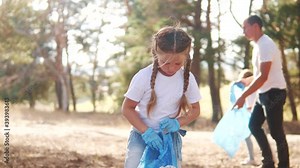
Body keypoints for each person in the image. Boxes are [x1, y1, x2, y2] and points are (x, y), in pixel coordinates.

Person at [122, 26, 201, 168]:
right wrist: (146, 132)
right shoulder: (143, 77)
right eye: (165, 62)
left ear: (186, 56)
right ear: (156, 54)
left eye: (177, 63)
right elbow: (127, 108)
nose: (171, 68)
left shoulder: (187, 78)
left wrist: (177, 123)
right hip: (141, 135)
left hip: (169, 138)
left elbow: (195, 109)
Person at [233, 15, 289, 168]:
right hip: (263, 94)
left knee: (276, 133)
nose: (243, 31)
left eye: (245, 27)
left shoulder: (266, 45)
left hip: (274, 93)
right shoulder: (257, 45)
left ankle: (284, 165)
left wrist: (243, 96)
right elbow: (260, 75)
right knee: (254, 125)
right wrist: (245, 81)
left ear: (255, 26)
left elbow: (264, 76)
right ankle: (268, 162)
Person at [213, 69, 258, 166]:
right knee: (248, 136)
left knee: (248, 136)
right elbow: (237, 100)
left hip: (245, 114)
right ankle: (253, 157)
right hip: (243, 113)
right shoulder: (239, 86)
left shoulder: (242, 87)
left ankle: (253, 158)